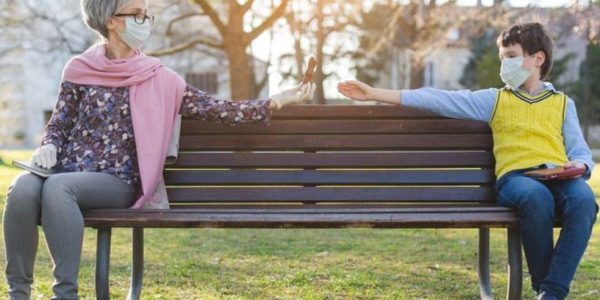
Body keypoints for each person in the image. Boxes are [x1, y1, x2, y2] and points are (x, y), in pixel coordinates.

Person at [2, 0, 315, 299]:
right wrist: (50, 144)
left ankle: (65, 294)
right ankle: (19, 294)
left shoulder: (159, 76)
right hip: (68, 169)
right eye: (137, 13)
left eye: (146, 14)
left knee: (58, 187)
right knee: (22, 189)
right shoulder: (79, 69)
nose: (145, 21)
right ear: (111, 21)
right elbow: (59, 123)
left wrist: (276, 101)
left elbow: (218, 109)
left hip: (116, 180)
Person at [338, 22, 597, 300]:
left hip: (558, 176)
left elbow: (580, 152)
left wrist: (580, 166)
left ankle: (549, 293)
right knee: (536, 198)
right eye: (502, 58)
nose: (504, 64)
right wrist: (375, 94)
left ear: (538, 59)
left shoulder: (562, 103)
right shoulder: (495, 100)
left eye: (511, 56)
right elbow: (438, 99)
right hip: (518, 181)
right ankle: (548, 292)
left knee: (584, 200)